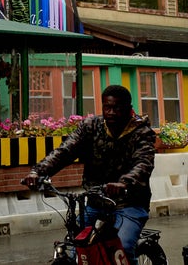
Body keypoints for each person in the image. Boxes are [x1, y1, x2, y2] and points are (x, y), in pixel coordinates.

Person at [21, 84, 155, 264]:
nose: (111, 112)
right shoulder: (91, 127)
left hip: (129, 204)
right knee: (77, 247)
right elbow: (65, 151)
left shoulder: (142, 133)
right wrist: (38, 172)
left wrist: (124, 183)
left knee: (121, 249)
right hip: (95, 203)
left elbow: (143, 163)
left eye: (117, 108)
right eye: (107, 107)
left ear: (128, 109)